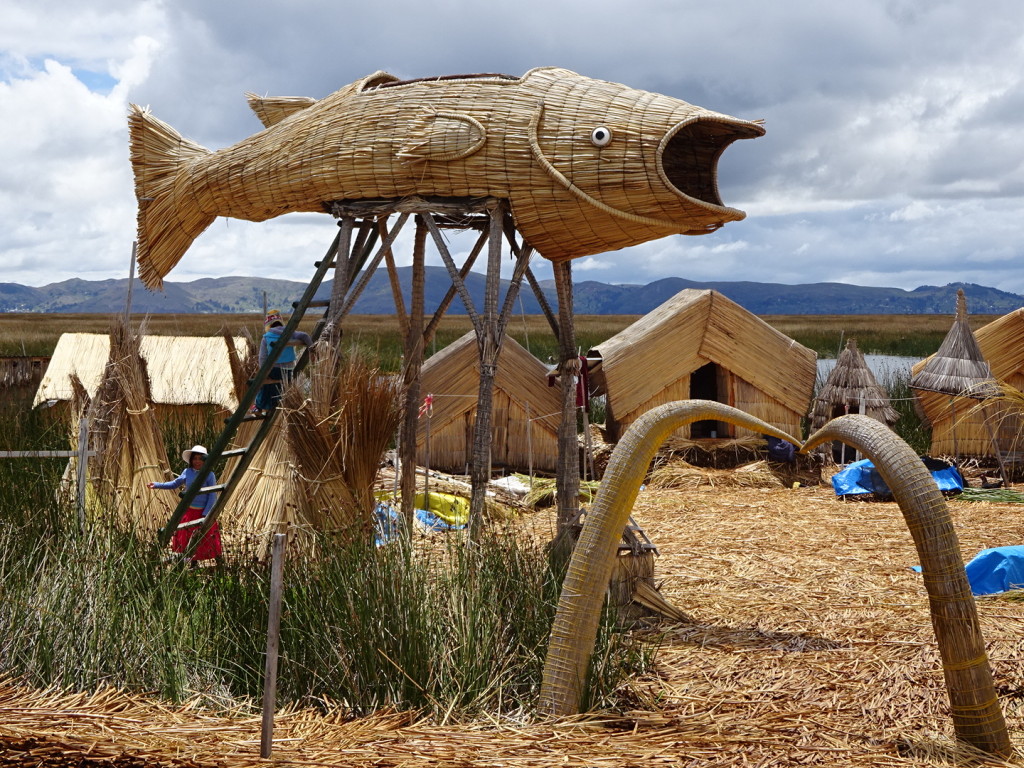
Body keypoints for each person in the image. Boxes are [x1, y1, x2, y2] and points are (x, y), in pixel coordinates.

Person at [147, 445, 224, 566]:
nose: (197, 461)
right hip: (189, 511)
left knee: (207, 537)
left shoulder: (210, 475)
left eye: (200, 458)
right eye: (194, 458)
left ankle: (220, 562)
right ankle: (192, 562)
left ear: (205, 460)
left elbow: (212, 495)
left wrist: (206, 515)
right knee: (187, 536)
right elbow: (174, 484)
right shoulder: (187, 472)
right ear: (191, 460)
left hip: (203, 512)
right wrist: (157, 485)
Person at [255, 309, 312, 411]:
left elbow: (262, 357)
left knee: (264, 384)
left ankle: (259, 406)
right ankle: (275, 405)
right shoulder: (289, 332)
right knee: (279, 387)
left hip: (274, 370)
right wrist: (312, 348)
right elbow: (305, 336)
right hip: (288, 371)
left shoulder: (267, 337)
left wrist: (263, 372)